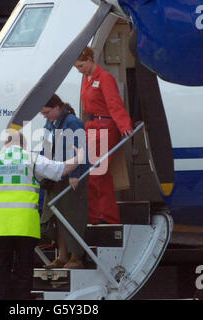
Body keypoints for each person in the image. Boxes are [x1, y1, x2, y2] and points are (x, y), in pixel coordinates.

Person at [0, 130, 85, 300]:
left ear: (5, 144)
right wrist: (79, 157)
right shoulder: (31, 159)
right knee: (23, 271)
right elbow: (61, 169)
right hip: (25, 227)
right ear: (24, 144)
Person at [74, 46, 134, 224]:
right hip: (92, 128)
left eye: (81, 66)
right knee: (95, 173)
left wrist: (124, 126)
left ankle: (104, 216)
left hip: (105, 128)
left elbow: (115, 103)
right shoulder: (87, 78)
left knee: (97, 173)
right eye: (77, 67)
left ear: (90, 60)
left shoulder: (105, 78)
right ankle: (99, 215)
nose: (79, 70)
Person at [39, 94, 89, 269]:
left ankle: (76, 257)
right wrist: (41, 170)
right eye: (43, 114)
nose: (45, 116)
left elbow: (80, 150)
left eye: (46, 112)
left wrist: (75, 174)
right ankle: (62, 256)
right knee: (56, 216)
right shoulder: (49, 123)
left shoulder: (73, 122)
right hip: (56, 174)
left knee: (73, 216)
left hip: (72, 176)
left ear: (57, 107)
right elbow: (45, 148)